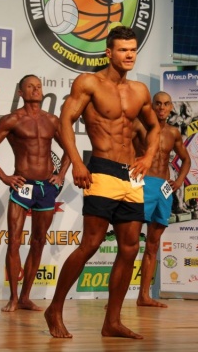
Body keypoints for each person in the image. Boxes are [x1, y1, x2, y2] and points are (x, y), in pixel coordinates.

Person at [44, 26, 160, 339]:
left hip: (131, 175)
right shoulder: (89, 83)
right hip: (102, 169)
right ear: (109, 52)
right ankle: (54, 308)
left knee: (130, 248)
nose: (129, 55)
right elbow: (64, 121)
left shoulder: (140, 91)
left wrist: (148, 157)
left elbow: (154, 127)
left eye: (133, 50)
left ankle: (112, 321)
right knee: (91, 243)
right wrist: (77, 162)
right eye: (123, 50)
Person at [0, 74, 70, 312]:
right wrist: (4, 176)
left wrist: (61, 175)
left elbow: (70, 149)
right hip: (22, 186)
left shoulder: (52, 120)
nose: (36, 90)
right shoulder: (13, 120)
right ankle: (13, 297)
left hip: (46, 187)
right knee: (15, 242)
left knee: (38, 242)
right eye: (30, 87)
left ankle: (26, 297)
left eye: (38, 86)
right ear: (21, 92)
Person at [133, 91, 190, 308]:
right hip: (143, 183)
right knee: (129, 243)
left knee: (153, 244)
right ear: (151, 105)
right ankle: (116, 298)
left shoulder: (173, 133)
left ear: (171, 107)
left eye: (166, 104)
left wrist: (179, 181)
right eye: (158, 103)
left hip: (164, 188)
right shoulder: (139, 126)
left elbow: (186, 159)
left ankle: (144, 296)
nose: (162, 108)